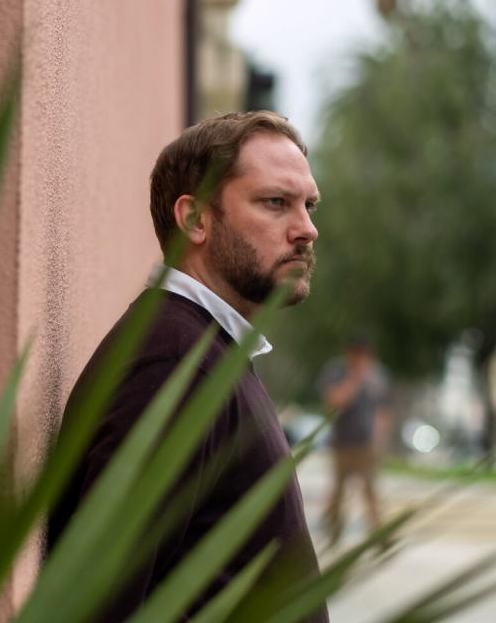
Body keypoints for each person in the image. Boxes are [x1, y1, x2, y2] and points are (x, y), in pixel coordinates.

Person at [47, 111, 328, 621]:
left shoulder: (203, 353)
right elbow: (104, 601)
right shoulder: (171, 365)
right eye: (275, 203)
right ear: (195, 219)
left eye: (309, 205)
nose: (306, 229)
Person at [318, 336, 391, 546]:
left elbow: (382, 409)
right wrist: (355, 379)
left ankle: (379, 535)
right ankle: (334, 530)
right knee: (338, 492)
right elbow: (334, 401)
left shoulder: (378, 375)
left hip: (366, 444)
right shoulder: (335, 371)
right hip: (342, 442)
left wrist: (380, 437)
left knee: (371, 491)